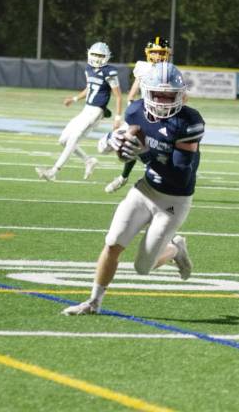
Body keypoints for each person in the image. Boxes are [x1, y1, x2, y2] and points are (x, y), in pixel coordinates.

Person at [62, 62, 204, 315]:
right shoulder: (136, 111)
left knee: (143, 267)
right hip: (145, 191)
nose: (162, 100)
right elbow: (123, 146)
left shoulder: (188, 122)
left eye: (168, 95)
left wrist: (146, 154)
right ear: (146, 92)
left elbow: (180, 177)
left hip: (173, 201)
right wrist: (111, 142)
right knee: (113, 242)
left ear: (179, 94)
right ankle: (94, 302)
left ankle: (174, 249)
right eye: (157, 94)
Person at [35, 42, 122, 181]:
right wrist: (74, 99)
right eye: (95, 54)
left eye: (100, 55)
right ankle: (89, 160)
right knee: (63, 140)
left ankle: (53, 171)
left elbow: (118, 96)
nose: (97, 58)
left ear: (106, 57)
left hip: (97, 111)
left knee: (73, 139)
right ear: (89, 54)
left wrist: (117, 118)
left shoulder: (109, 72)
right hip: (86, 109)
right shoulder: (89, 69)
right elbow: (89, 88)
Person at [101, 37, 172, 193]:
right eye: (154, 52)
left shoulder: (170, 72)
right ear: (148, 53)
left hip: (161, 115)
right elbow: (135, 88)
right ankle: (124, 176)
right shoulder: (143, 67)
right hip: (142, 110)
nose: (158, 56)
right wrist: (130, 103)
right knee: (123, 143)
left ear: (167, 54)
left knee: (151, 148)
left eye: (161, 53)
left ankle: (132, 177)